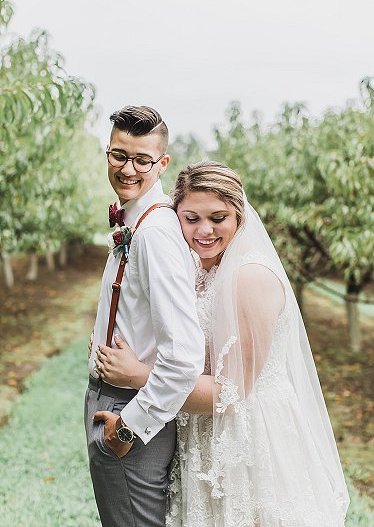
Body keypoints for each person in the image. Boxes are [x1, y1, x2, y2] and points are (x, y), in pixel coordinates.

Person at [97, 161, 350, 526]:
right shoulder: (200, 269)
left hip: (246, 441)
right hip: (202, 434)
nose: (204, 230)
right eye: (191, 218)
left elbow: (230, 393)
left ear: (239, 217)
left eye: (218, 218)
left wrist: (140, 375)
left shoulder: (250, 278)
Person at [87, 106, 206, 526]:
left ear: (162, 163)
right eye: (120, 155)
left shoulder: (154, 234)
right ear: (108, 153)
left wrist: (128, 428)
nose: (129, 169)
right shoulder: (135, 221)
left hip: (129, 409)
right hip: (115, 398)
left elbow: (185, 356)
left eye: (143, 159)